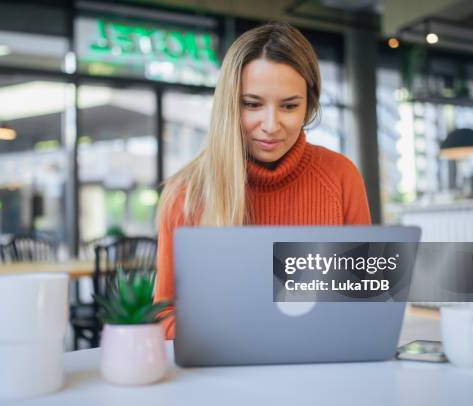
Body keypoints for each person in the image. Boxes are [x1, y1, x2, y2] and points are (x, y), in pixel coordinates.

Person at [154, 22, 371, 339]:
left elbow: (365, 300)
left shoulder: (340, 176)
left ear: (308, 105)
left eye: (289, 105)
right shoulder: (187, 193)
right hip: (224, 372)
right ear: (230, 104)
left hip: (320, 365)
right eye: (252, 104)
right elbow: (165, 314)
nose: (271, 125)